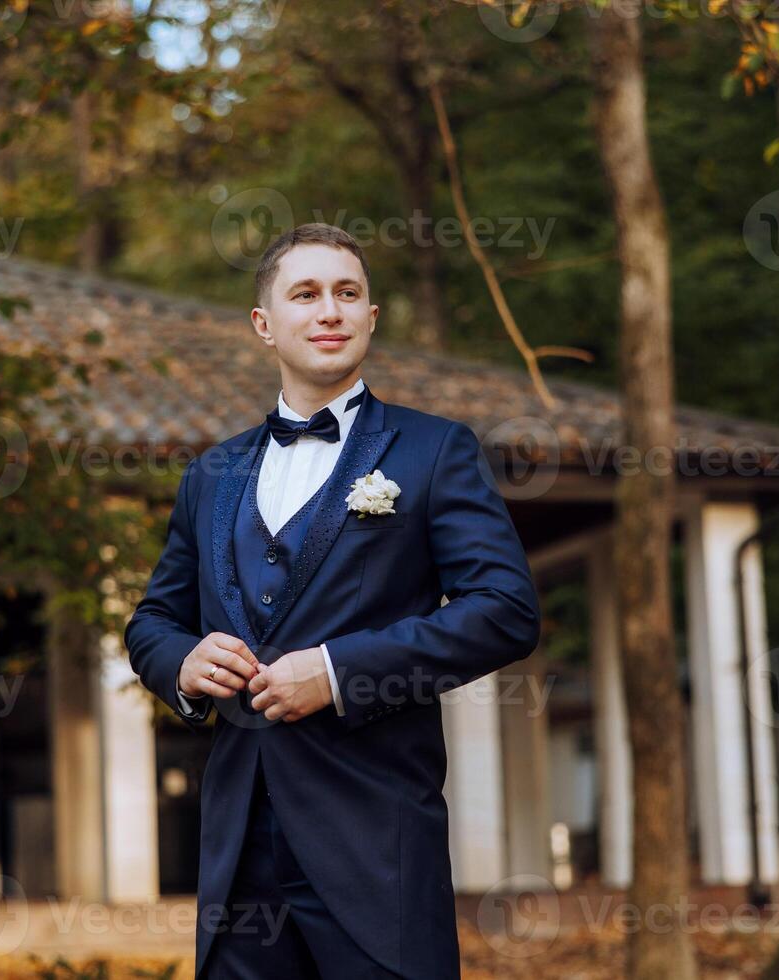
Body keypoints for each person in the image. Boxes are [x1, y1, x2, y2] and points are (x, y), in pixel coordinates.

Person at [124, 222, 541, 979]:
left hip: (375, 844)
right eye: (306, 294)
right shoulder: (211, 476)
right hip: (238, 852)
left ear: (371, 318)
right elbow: (153, 621)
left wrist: (340, 671)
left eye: (349, 294)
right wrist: (183, 661)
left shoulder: (434, 450)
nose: (330, 311)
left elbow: (505, 607)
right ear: (264, 325)